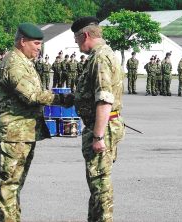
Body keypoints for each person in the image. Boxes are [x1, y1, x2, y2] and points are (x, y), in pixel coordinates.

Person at [0, 22, 72, 222]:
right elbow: (31, 95)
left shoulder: (25, 63)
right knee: (8, 183)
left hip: (24, 132)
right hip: (13, 133)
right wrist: (64, 99)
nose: (39, 48)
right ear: (22, 41)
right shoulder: (13, 63)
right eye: (36, 43)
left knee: (16, 183)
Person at [71, 16, 125, 222]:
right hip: (104, 124)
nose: (76, 45)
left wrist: (98, 136)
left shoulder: (100, 58)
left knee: (100, 184)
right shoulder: (102, 54)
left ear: (85, 35)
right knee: (96, 183)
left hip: (103, 126)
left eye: (76, 40)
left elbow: (104, 99)